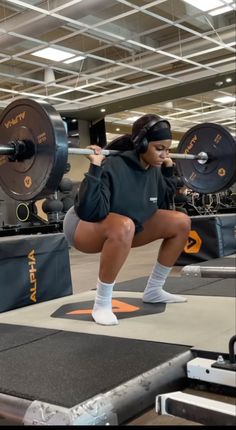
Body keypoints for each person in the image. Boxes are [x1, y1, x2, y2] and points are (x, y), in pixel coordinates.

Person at [63, 114, 191, 326]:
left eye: (167, 149)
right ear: (142, 144)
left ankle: (154, 290)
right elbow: (90, 210)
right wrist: (95, 167)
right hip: (82, 224)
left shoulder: (154, 168)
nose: (164, 154)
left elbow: (163, 199)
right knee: (124, 226)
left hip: (125, 224)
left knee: (181, 222)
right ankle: (102, 303)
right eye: (159, 148)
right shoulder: (114, 164)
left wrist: (169, 169)